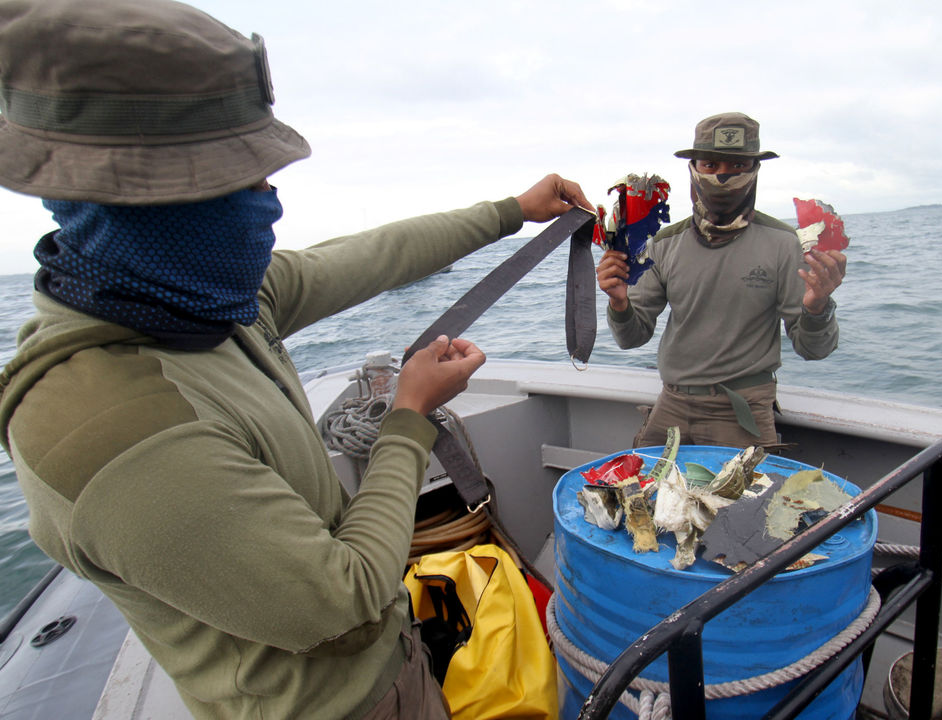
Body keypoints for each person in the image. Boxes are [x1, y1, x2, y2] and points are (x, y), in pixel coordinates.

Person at [0, 1, 591, 719]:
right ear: (148, 201)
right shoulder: (108, 424)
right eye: (241, 180)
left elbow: (367, 258)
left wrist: (509, 211)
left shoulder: (200, 297)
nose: (271, 202)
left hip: (396, 669)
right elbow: (341, 606)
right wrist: (408, 418)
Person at [596, 112, 845, 449]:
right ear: (693, 169)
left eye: (737, 167)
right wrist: (619, 302)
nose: (722, 177)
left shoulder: (785, 243)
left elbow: (814, 349)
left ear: (755, 170)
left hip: (744, 410)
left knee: (745, 502)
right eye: (710, 166)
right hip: (671, 404)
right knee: (646, 497)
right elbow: (632, 337)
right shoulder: (663, 243)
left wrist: (818, 307)